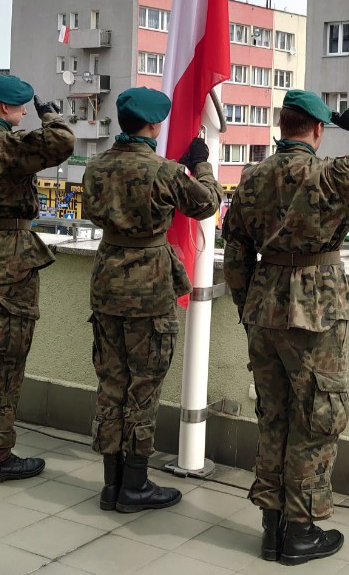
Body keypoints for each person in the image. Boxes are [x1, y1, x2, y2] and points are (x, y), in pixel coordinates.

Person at [222, 90, 349, 565]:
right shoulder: (330, 175)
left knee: (274, 416)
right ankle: (300, 530)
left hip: (263, 307)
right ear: (316, 129)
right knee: (317, 416)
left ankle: (272, 528)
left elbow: (236, 252)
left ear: (282, 125)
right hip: (315, 309)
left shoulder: (252, 178)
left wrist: (250, 308)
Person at [82, 88, 222, 513]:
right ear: (154, 125)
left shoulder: (96, 166)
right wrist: (201, 164)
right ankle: (135, 485)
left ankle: (111, 484)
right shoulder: (165, 172)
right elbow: (207, 204)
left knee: (111, 385)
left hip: (107, 282)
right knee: (143, 388)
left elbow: (92, 211)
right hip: (149, 288)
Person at [0, 75, 74, 484]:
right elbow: (62, 142)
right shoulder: (5, 146)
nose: (24, 112)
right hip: (11, 260)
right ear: (4, 108)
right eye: (21, 106)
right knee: (6, 362)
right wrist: (50, 115)